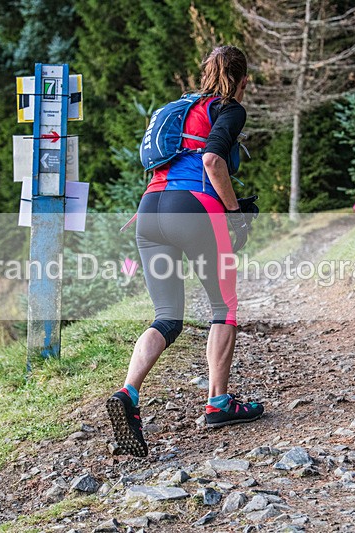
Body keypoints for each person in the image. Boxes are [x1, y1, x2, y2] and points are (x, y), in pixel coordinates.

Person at [106, 45, 263, 457]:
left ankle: (128, 394)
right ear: (242, 80)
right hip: (192, 209)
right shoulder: (229, 108)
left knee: (167, 317)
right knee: (223, 307)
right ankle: (218, 402)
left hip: (149, 211)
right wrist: (235, 215)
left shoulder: (179, 108)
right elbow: (213, 160)